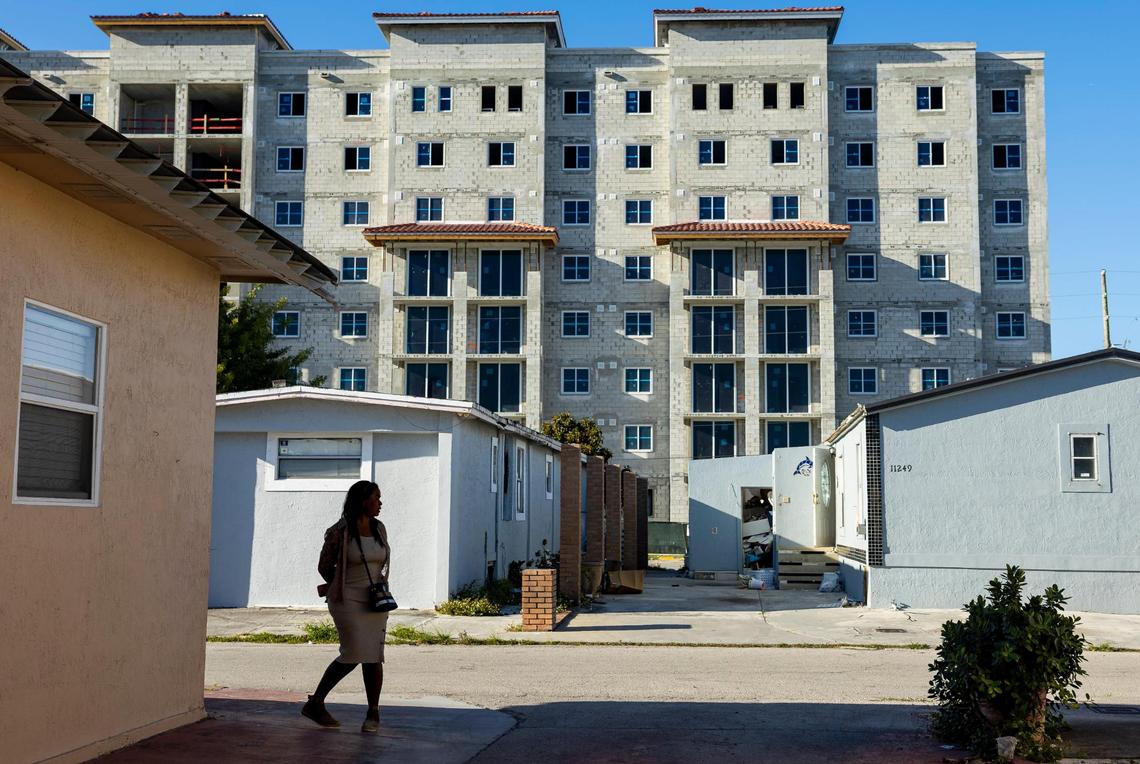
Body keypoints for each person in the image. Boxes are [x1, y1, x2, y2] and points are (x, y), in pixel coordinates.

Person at [301, 480, 391, 733]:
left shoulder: (379, 528)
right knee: (353, 653)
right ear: (363, 501)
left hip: (375, 599)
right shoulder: (339, 531)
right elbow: (324, 566)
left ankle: (373, 713)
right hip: (347, 599)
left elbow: (381, 561)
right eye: (376, 498)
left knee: (373, 656)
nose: (380, 503)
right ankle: (316, 702)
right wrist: (340, 583)